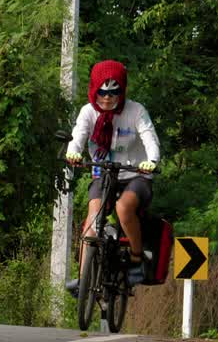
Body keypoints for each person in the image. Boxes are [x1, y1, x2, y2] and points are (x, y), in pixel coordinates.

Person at [64, 60, 160, 292]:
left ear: (122, 90)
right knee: (92, 220)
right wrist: (73, 153)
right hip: (103, 172)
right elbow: (78, 136)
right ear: (94, 88)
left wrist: (152, 161)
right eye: (102, 92)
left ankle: (137, 258)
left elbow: (150, 138)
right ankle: (84, 278)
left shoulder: (136, 111)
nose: (107, 98)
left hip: (135, 174)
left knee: (123, 208)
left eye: (114, 92)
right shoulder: (88, 112)